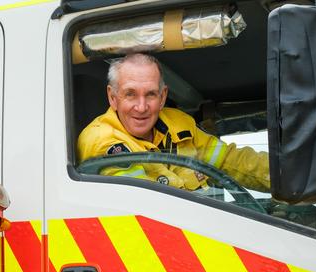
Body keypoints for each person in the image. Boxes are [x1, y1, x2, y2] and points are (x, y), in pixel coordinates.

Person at [77, 53, 270, 192]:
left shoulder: (179, 122)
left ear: (163, 97)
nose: (142, 107)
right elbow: (145, 204)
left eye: (151, 94)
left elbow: (230, 160)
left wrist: (286, 176)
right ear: (113, 97)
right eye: (130, 94)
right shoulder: (101, 140)